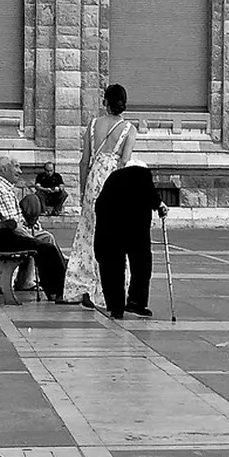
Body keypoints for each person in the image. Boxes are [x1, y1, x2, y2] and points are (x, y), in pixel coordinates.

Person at [62, 83, 136, 309]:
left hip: (93, 180)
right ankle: (109, 287)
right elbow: (124, 162)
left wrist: (83, 190)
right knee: (114, 235)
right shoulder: (129, 129)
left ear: (105, 101)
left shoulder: (93, 125)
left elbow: (84, 161)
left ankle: (82, 283)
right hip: (113, 181)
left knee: (88, 232)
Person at [0, 156, 68, 298]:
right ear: (4, 169)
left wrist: (31, 228)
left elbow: (15, 220)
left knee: (44, 238)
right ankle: (57, 291)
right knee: (46, 247)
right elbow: (14, 225)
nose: (20, 171)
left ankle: (26, 281)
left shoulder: (1, 187)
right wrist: (31, 236)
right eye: (16, 167)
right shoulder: (0, 190)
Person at [94, 157, 169, 320]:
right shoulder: (142, 174)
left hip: (109, 229)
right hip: (136, 230)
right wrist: (160, 205)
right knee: (141, 266)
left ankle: (116, 307)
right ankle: (136, 302)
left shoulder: (114, 177)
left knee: (112, 268)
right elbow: (150, 194)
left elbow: (99, 205)